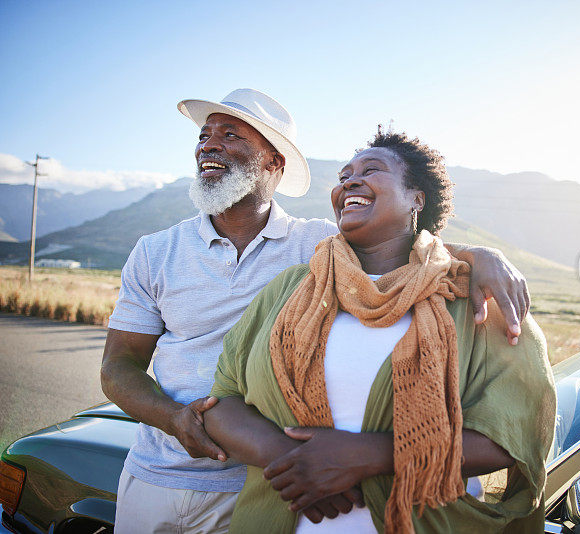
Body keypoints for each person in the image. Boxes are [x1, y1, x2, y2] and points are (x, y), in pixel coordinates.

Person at [100, 89, 534, 533]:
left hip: (257, 489)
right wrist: (175, 420)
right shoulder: (155, 252)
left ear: (274, 163)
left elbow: (402, 243)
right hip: (159, 474)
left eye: (231, 135)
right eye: (205, 136)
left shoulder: (320, 245)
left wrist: (483, 256)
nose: (208, 145)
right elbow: (118, 366)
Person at [204, 129, 556, 533]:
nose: (349, 181)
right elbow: (223, 400)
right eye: (343, 175)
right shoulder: (288, 291)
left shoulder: (476, 301)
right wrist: (295, 461)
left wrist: (366, 456)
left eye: (372, 170)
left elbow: (511, 433)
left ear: (417, 198)